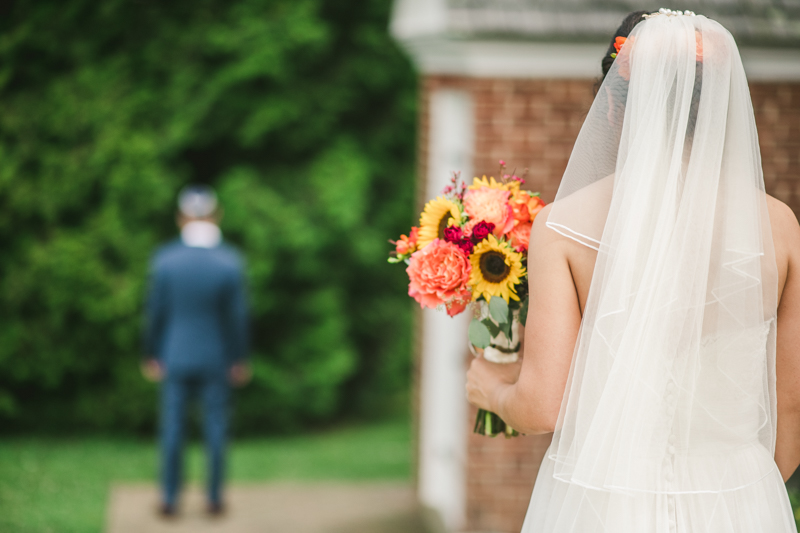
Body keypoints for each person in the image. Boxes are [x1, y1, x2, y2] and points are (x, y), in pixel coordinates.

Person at [467, 9, 800, 532]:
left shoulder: (563, 227)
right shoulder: (779, 226)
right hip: (739, 500)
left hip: (607, 503)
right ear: (717, 105)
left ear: (614, 110)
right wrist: (739, 496)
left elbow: (542, 409)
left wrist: (492, 390)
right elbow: (791, 412)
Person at [142, 184, 250, 517]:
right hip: (216, 356)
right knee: (216, 428)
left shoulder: (165, 259)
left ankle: (170, 499)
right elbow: (238, 317)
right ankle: (214, 498)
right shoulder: (230, 261)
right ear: (215, 215)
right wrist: (239, 357)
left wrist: (151, 352)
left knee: (172, 429)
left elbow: (154, 313)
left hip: (174, 355)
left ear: (181, 217)